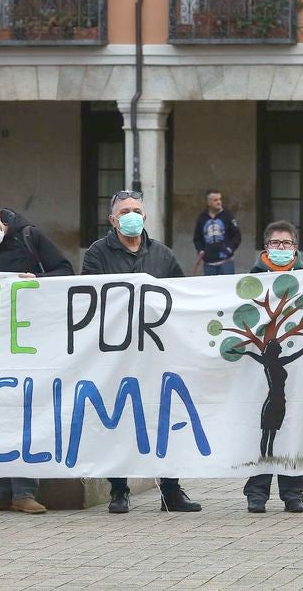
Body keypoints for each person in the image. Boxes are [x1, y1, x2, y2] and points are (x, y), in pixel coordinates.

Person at [82, 190, 203, 514]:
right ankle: (118, 490)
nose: (131, 215)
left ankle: (171, 490)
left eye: (136, 210)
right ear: (112, 219)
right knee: (117, 419)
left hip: (156, 351)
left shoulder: (162, 254)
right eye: (125, 211)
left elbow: (181, 296)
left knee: (164, 417)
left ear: (145, 216)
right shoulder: (97, 254)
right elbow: (88, 298)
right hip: (116, 353)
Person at [0, 202, 73, 515]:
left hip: (30, 340)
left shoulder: (29, 236)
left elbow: (65, 271)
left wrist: (36, 279)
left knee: (24, 410)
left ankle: (24, 490)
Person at [242, 220, 303, 514]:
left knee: (294, 431)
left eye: (287, 244)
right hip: (256, 385)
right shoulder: (253, 279)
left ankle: (293, 492)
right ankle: (256, 492)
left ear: (296, 249)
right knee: (259, 435)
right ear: (266, 248)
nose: (282, 249)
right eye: (276, 244)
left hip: (296, 385)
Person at [194, 189, 242, 276]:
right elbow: (197, 238)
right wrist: (200, 250)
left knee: (227, 287)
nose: (219, 202)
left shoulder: (228, 215)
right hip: (209, 263)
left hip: (226, 262)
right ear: (208, 202)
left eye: (220, 199)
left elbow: (237, 236)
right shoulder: (202, 218)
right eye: (215, 200)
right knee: (210, 289)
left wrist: (229, 249)